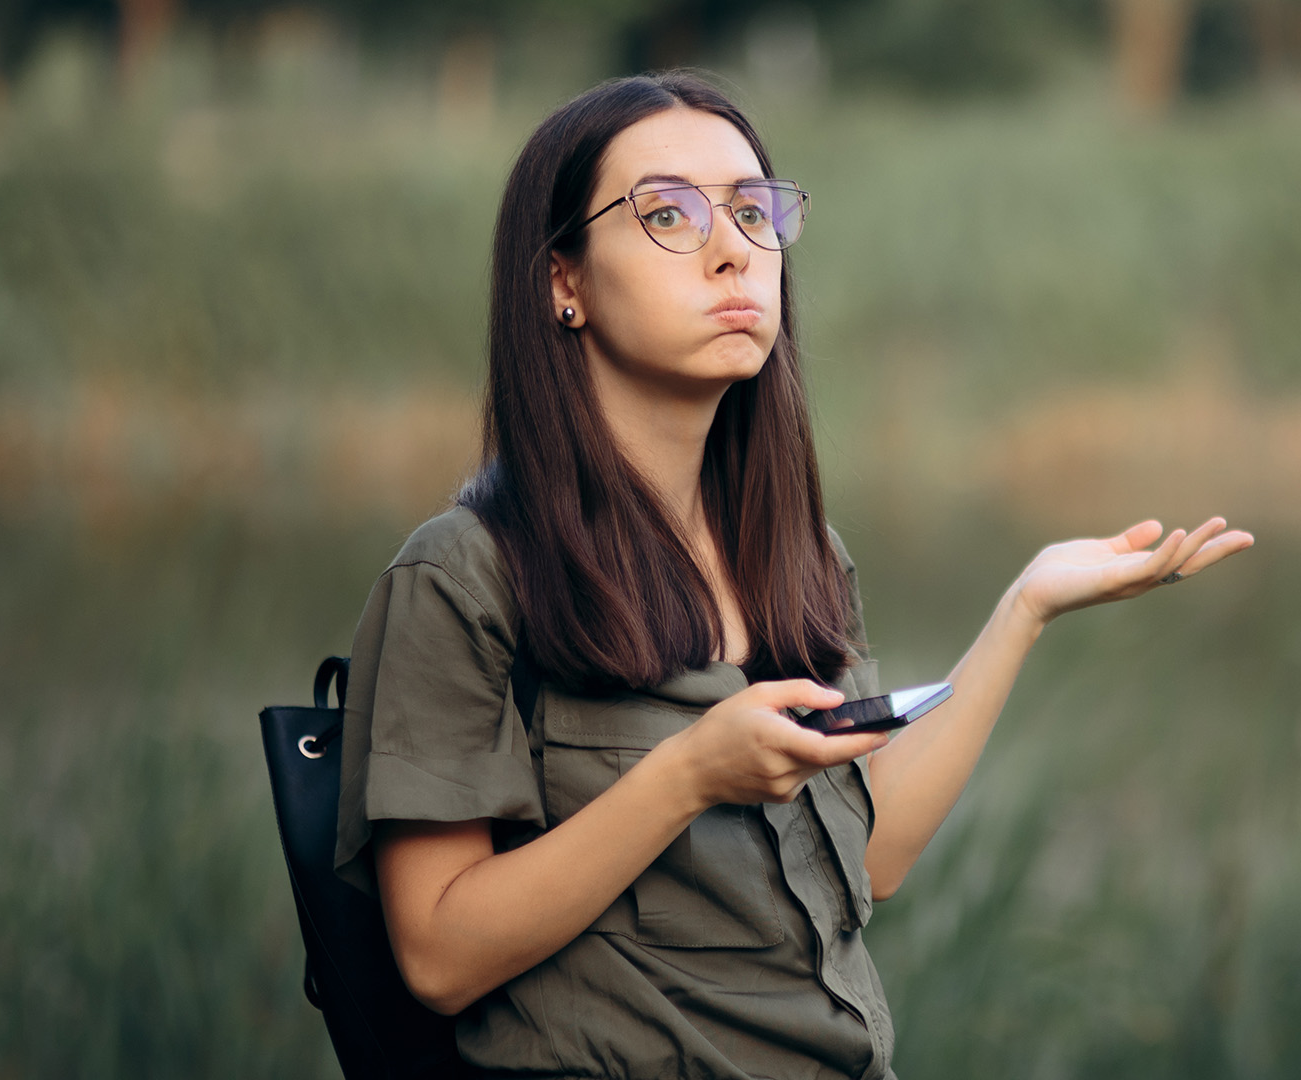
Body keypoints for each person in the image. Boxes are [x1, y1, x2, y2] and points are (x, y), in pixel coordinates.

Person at [333, 71, 1253, 1080]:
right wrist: (687, 777)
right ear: (566, 281)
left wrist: (1024, 607)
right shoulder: (465, 574)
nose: (733, 249)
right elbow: (437, 953)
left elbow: (872, 855)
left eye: (753, 209)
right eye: (668, 214)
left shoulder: (795, 550)